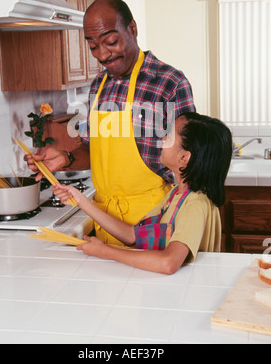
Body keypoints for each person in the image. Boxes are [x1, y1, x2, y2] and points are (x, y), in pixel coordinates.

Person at [25, 0, 195, 244]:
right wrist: (66, 158)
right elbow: (94, 148)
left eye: (111, 42)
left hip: (154, 224)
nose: (102, 54)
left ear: (133, 30)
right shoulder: (98, 86)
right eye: (93, 46)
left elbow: (191, 164)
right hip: (105, 223)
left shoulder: (169, 83)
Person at [53, 113, 232, 275]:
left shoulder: (195, 204)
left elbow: (168, 263)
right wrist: (81, 201)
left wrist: (106, 252)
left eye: (169, 136)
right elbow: (132, 235)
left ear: (184, 158)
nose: (162, 138)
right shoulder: (176, 195)